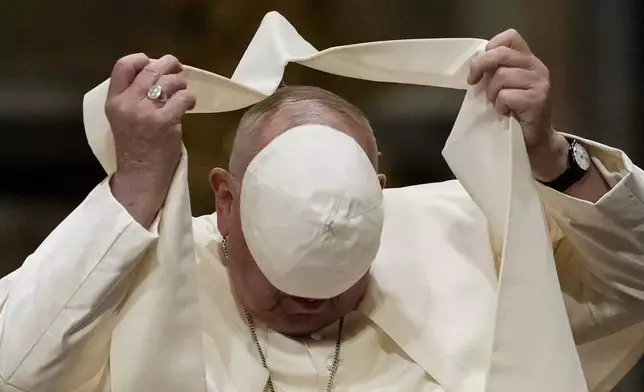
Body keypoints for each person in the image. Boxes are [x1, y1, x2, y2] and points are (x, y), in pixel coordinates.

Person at [1, 28, 643, 392]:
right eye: (279, 269)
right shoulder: (138, 273)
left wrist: (552, 157)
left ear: (380, 197)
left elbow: (633, 289)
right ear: (226, 201)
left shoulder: (462, 239)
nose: (308, 300)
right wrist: (137, 185)